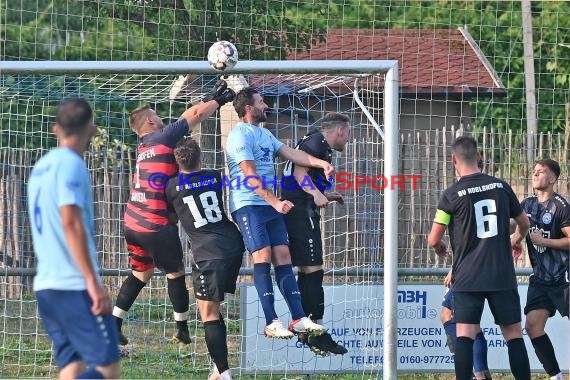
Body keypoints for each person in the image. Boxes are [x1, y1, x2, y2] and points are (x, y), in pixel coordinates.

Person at [113, 80, 235, 345]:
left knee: (141, 273)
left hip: (132, 221)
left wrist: (207, 98)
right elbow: (195, 116)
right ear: (149, 123)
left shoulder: (145, 146)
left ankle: (113, 323)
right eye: (157, 116)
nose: (162, 118)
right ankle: (182, 328)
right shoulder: (163, 137)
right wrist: (217, 99)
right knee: (175, 272)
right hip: (155, 224)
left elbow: (187, 115)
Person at [226, 87, 334, 339]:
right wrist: (275, 202)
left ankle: (299, 318)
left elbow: (293, 153)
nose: (267, 106)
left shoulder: (265, 134)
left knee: (283, 255)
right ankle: (271, 322)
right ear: (249, 108)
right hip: (248, 204)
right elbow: (249, 175)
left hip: (269, 205)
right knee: (262, 255)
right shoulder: (239, 135)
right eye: (262, 101)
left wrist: (321, 163)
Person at [27, 98, 120, 379]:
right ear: (91, 128)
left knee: (72, 367)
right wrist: (92, 283)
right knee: (108, 368)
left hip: (46, 285)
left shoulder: (41, 167)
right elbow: (70, 222)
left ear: (56, 129)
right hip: (73, 285)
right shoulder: (71, 164)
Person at [427, 136, 531, 380]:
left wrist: (439, 247)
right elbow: (524, 223)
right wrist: (515, 238)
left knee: (465, 333)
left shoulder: (451, 195)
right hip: (501, 273)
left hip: (468, 275)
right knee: (513, 334)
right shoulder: (502, 187)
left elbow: (433, 239)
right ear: (478, 157)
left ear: (454, 159)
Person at [165, 137, 244, 380]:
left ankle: (225, 373)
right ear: (200, 157)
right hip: (233, 244)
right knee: (213, 308)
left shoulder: (170, 187)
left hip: (208, 254)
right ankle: (217, 370)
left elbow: (171, 216)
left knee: (208, 315)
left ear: (177, 161)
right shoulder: (215, 175)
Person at [280, 112, 350, 356]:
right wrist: (316, 195)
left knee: (310, 269)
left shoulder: (317, 145)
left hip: (302, 208)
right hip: (299, 212)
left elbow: (301, 176)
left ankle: (307, 327)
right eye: (348, 134)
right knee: (313, 269)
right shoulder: (316, 142)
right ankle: (314, 331)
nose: (348, 140)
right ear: (339, 130)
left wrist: (324, 194)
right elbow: (298, 176)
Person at [511, 159, 569, 380]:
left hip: (564, 277)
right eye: (533, 171)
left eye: (541, 172)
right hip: (541, 278)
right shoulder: (527, 205)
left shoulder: (561, 207)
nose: (535, 174)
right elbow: (517, 227)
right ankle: (556, 376)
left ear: (553, 178)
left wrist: (546, 242)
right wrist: (515, 241)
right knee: (533, 326)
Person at [441, 270, 492, 380]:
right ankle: (480, 372)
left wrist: (454, 270)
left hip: (467, 273)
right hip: (465, 272)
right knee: (450, 317)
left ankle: (479, 373)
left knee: (464, 322)